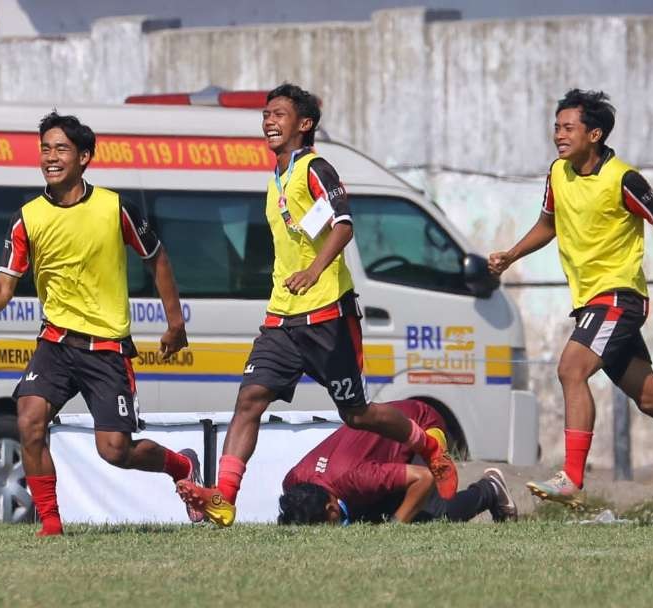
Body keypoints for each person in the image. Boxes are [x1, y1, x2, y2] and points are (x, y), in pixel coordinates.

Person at [176, 83, 457, 527]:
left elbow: (343, 226)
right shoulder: (276, 177)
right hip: (282, 318)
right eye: (266, 114)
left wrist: (314, 271)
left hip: (328, 314)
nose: (269, 121)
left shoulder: (315, 168)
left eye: (279, 114)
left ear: (304, 125)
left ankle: (429, 447)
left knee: (357, 413)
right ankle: (224, 498)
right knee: (249, 399)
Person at [488, 89, 653, 510]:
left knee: (570, 369)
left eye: (568, 127)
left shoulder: (624, 179)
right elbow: (548, 223)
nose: (558, 134)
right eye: (556, 127)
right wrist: (511, 255)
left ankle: (572, 478)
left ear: (594, 134)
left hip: (619, 297)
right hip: (590, 302)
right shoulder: (558, 173)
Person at [0, 111, 201, 535]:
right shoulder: (28, 218)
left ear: (85, 157)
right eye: (45, 149)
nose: (50, 157)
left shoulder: (114, 207)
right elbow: (3, 288)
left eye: (61, 149)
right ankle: (51, 524)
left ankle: (181, 464)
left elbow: (157, 258)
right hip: (55, 344)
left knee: (115, 450)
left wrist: (174, 324)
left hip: (107, 348)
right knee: (29, 419)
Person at [277, 399, 517, 525]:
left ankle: (490, 489)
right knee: (370, 512)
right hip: (382, 448)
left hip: (422, 426)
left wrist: (395, 526)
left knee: (435, 515)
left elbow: (422, 479)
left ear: (331, 508)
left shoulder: (355, 479)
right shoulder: (293, 482)